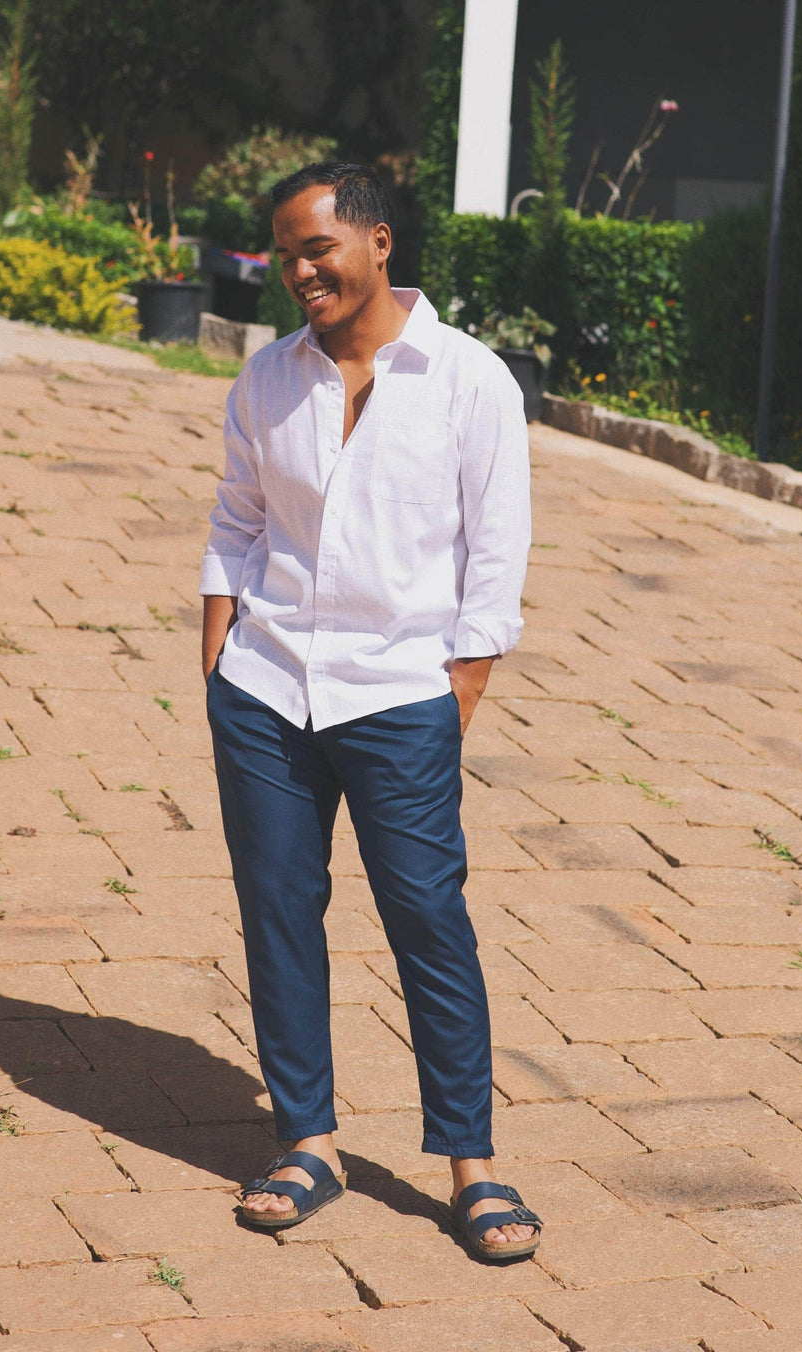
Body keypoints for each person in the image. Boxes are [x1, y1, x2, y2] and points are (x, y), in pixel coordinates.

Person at [200, 162, 540, 1261]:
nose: (299, 271)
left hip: (402, 695)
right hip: (267, 690)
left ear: (378, 241)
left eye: (318, 249)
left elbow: (495, 556)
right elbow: (237, 521)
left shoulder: (470, 380)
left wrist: (458, 693)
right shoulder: (267, 379)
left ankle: (472, 1163)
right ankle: (308, 1143)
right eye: (285, 254)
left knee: (429, 918)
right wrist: (217, 665)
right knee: (278, 911)